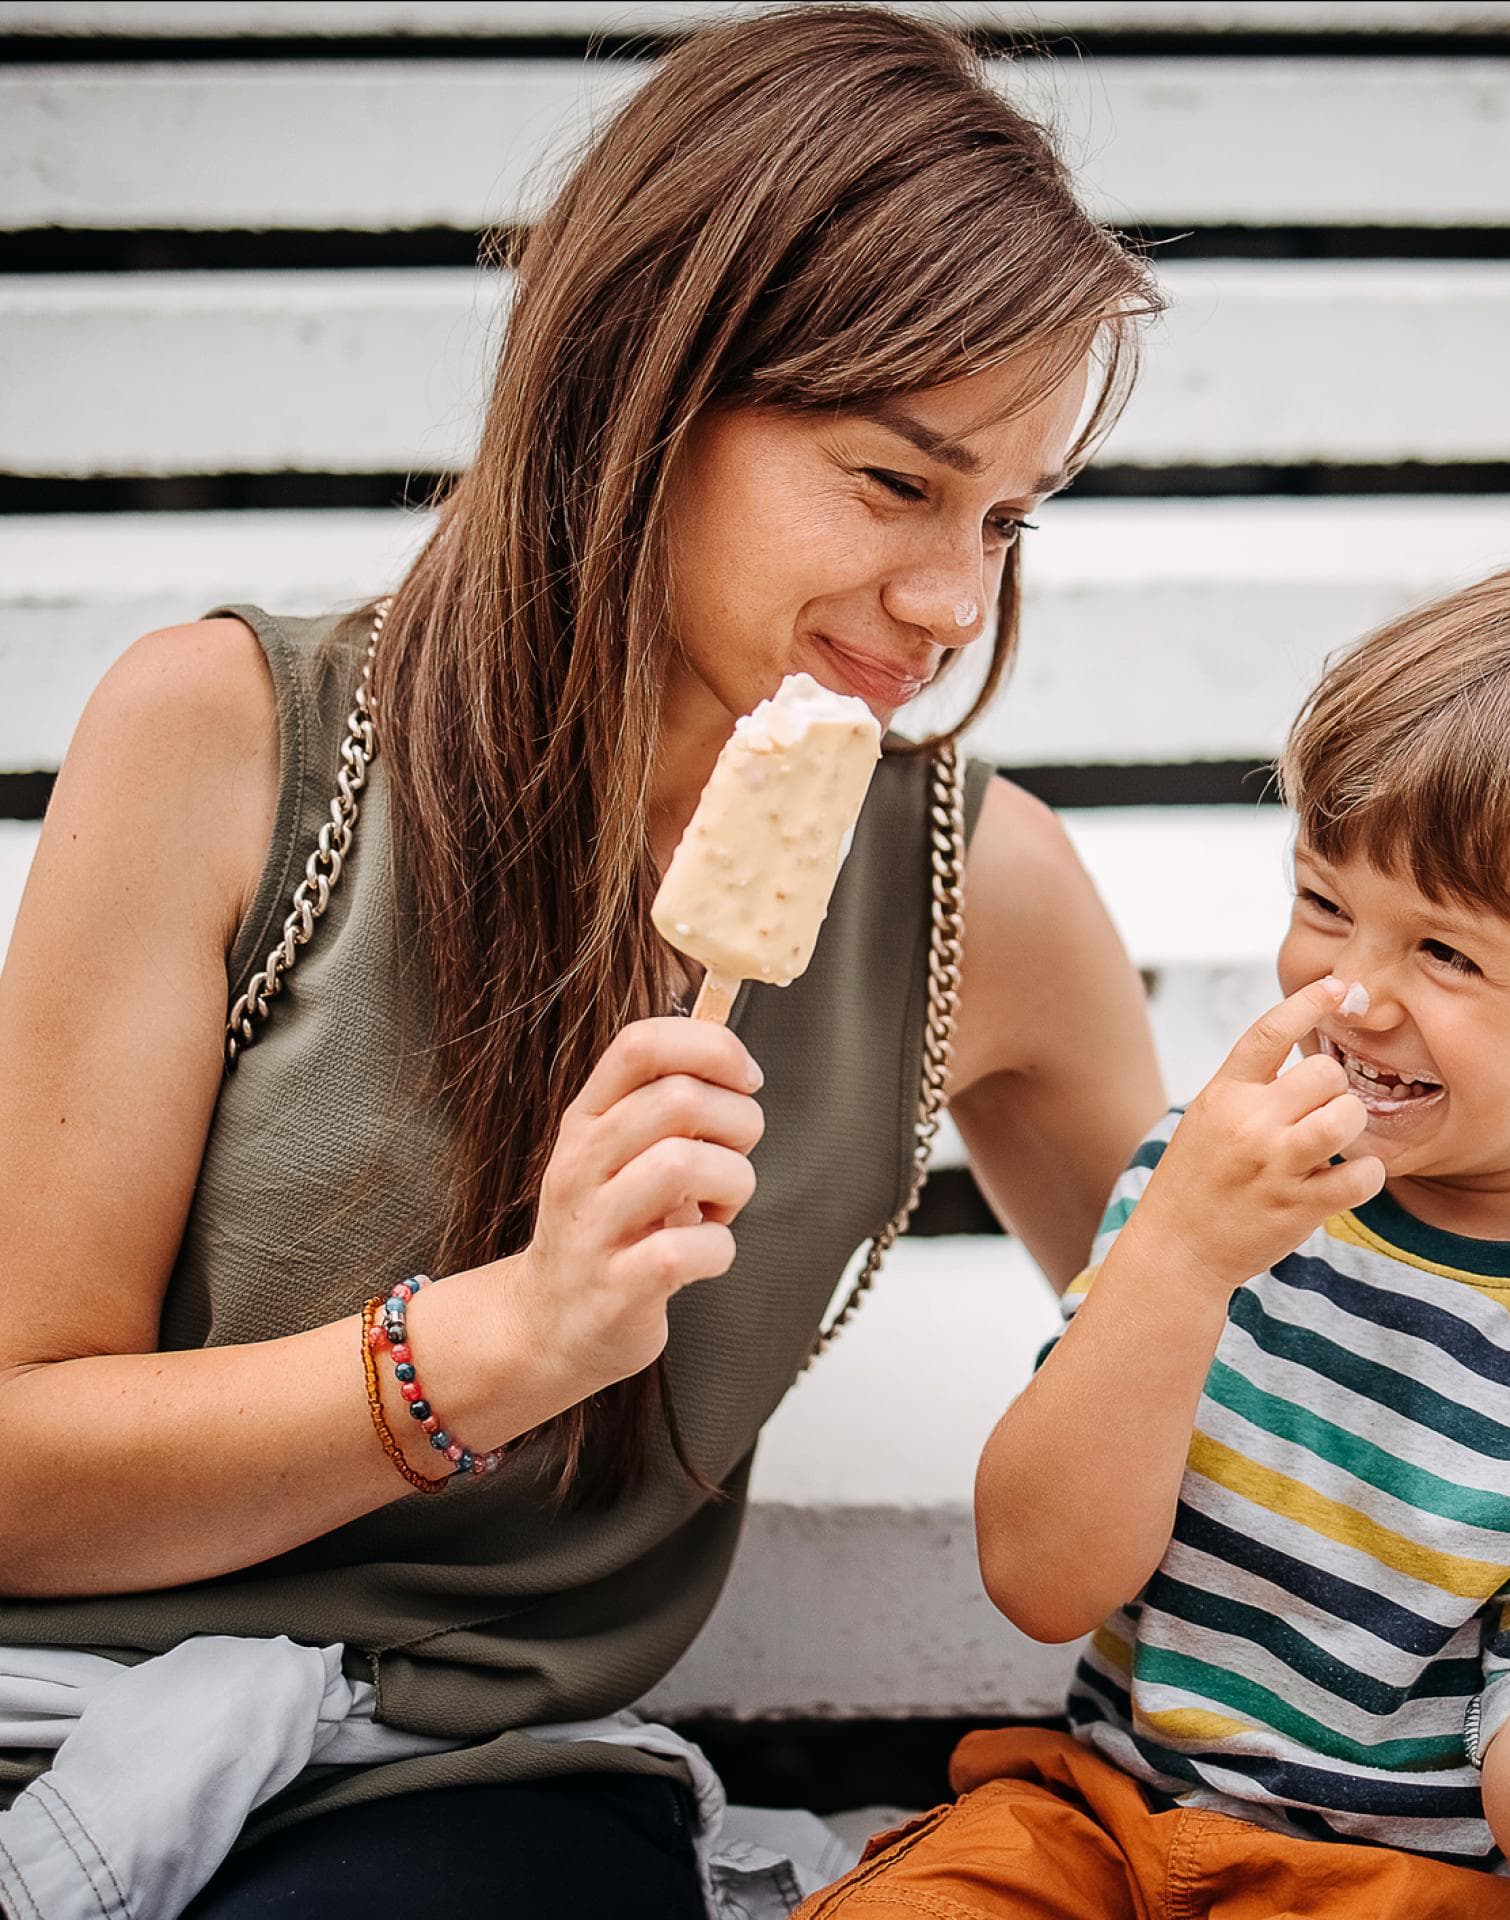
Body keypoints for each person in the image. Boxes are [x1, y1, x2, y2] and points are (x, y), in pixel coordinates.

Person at [0, 8, 1165, 1913]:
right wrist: (498, 1344)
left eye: (1006, 520)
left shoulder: (982, 893)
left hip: (472, 1783)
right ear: (645, 381)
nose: (956, 601)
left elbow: (1228, 1397)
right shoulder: (230, 739)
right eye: (895, 483)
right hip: (44, 1705)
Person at [801, 553, 1510, 1918]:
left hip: (1408, 1889)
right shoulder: (1222, 1176)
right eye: (1324, 902)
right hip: (1107, 1824)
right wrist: (1183, 1254)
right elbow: (1040, 1574)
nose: (1350, 992)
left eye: (1448, 953)